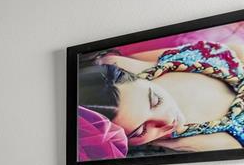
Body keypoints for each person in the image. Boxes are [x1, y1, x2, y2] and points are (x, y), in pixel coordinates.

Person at [78, 40, 244, 153]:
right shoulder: (207, 142)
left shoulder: (114, 64)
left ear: (134, 76)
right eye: (141, 130)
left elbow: (234, 49)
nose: (167, 119)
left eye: (155, 101)